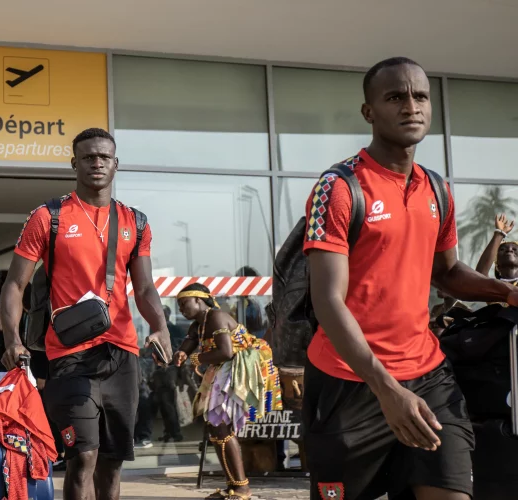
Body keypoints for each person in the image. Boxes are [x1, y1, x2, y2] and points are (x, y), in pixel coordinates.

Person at [302, 57, 518, 500]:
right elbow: (328, 300)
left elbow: (447, 274)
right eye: (395, 97)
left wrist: (507, 293)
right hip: (349, 383)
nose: (411, 106)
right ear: (369, 112)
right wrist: (386, 390)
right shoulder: (340, 187)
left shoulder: (436, 188)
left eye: (420, 96)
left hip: (427, 376)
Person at [0, 127, 172, 500]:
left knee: (112, 461)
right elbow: (14, 285)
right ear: (74, 162)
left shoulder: (135, 222)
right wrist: (12, 339)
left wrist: (160, 327)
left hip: (121, 354)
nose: (97, 163)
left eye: (104, 157)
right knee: (83, 457)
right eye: (89, 157)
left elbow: (143, 289)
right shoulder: (49, 217)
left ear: (115, 164)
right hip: (70, 355)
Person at [173, 283, 282, 500]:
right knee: (217, 430)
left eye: (184, 303)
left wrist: (197, 358)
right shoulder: (198, 325)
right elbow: (188, 345)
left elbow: (225, 351)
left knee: (220, 428)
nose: (181, 309)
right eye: (179, 305)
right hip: (223, 371)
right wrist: (180, 355)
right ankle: (234, 487)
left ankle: (241, 488)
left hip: (240, 369)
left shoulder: (215, 317)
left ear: (199, 300)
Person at [149, 306, 185, 443]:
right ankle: (169, 432)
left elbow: (180, 350)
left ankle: (175, 432)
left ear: (168, 315)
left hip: (170, 370)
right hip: (159, 371)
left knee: (168, 403)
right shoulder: (154, 330)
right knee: (164, 403)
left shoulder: (176, 330)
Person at [476, 213, 517, 283]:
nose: (509, 250)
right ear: (497, 264)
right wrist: (499, 234)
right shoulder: (492, 287)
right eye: (502, 249)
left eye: (515, 249)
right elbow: (480, 275)